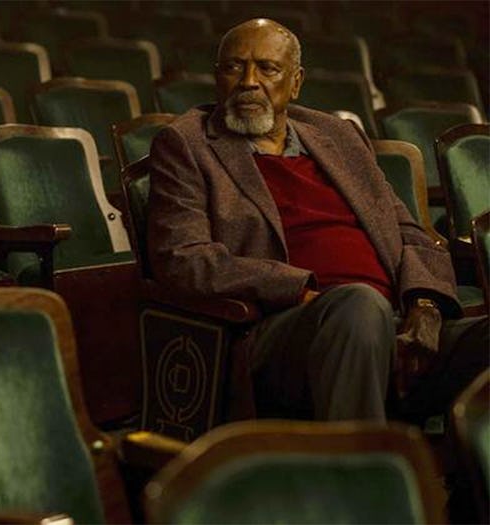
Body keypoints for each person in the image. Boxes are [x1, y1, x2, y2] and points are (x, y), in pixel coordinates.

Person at [146, 19, 487, 423]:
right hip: (284, 331)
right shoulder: (187, 144)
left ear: (296, 83)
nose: (248, 82)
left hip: (392, 324)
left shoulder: (338, 136)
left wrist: (425, 305)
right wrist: (301, 290)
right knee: (359, 305)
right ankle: (355, 477)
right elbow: (184, 259)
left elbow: (409, 232)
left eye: (267, 68)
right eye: (233, 67)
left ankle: (470, 486)